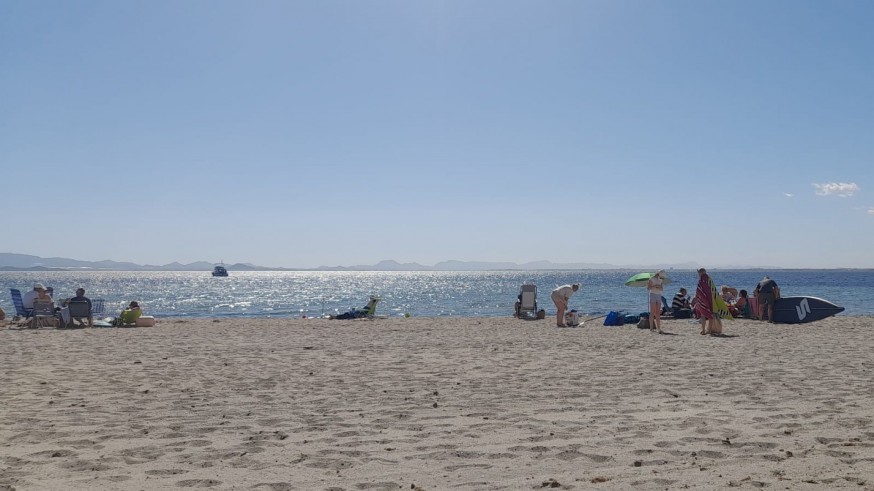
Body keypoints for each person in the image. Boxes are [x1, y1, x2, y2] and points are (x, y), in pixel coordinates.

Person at [693, 268, 728, 335]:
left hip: (702, 300)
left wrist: (697, 298)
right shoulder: (709, 279)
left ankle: (703, 330)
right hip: (710, 300)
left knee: (703, 315)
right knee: (710, 315)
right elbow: (713, 289)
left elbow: (698, 291)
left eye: (699, 273)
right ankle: (709, 330)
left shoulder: (700, 280)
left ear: (700, 273)